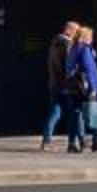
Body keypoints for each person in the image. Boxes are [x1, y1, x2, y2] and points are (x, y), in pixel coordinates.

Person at [62, 25, 97, 153]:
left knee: (75, 115)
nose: (92, 39)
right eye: (90, 36)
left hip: (73, 87)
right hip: (87, 87)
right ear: (86, 37)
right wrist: (93, 88)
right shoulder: (85, 49)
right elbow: (89, 69)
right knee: (96, 113)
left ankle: (71, 144)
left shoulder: (73, 48)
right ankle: (96, 142)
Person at [40, 21, 77, 152]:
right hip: (63, 84)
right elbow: (68, 65)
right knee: (73, 112)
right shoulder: (66, 44)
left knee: (55, 111)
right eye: (76, 31)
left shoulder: (54, 43)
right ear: (69, 30)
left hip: (54, 83)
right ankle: (77, 141)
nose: (77, 34)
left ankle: (46, 140)